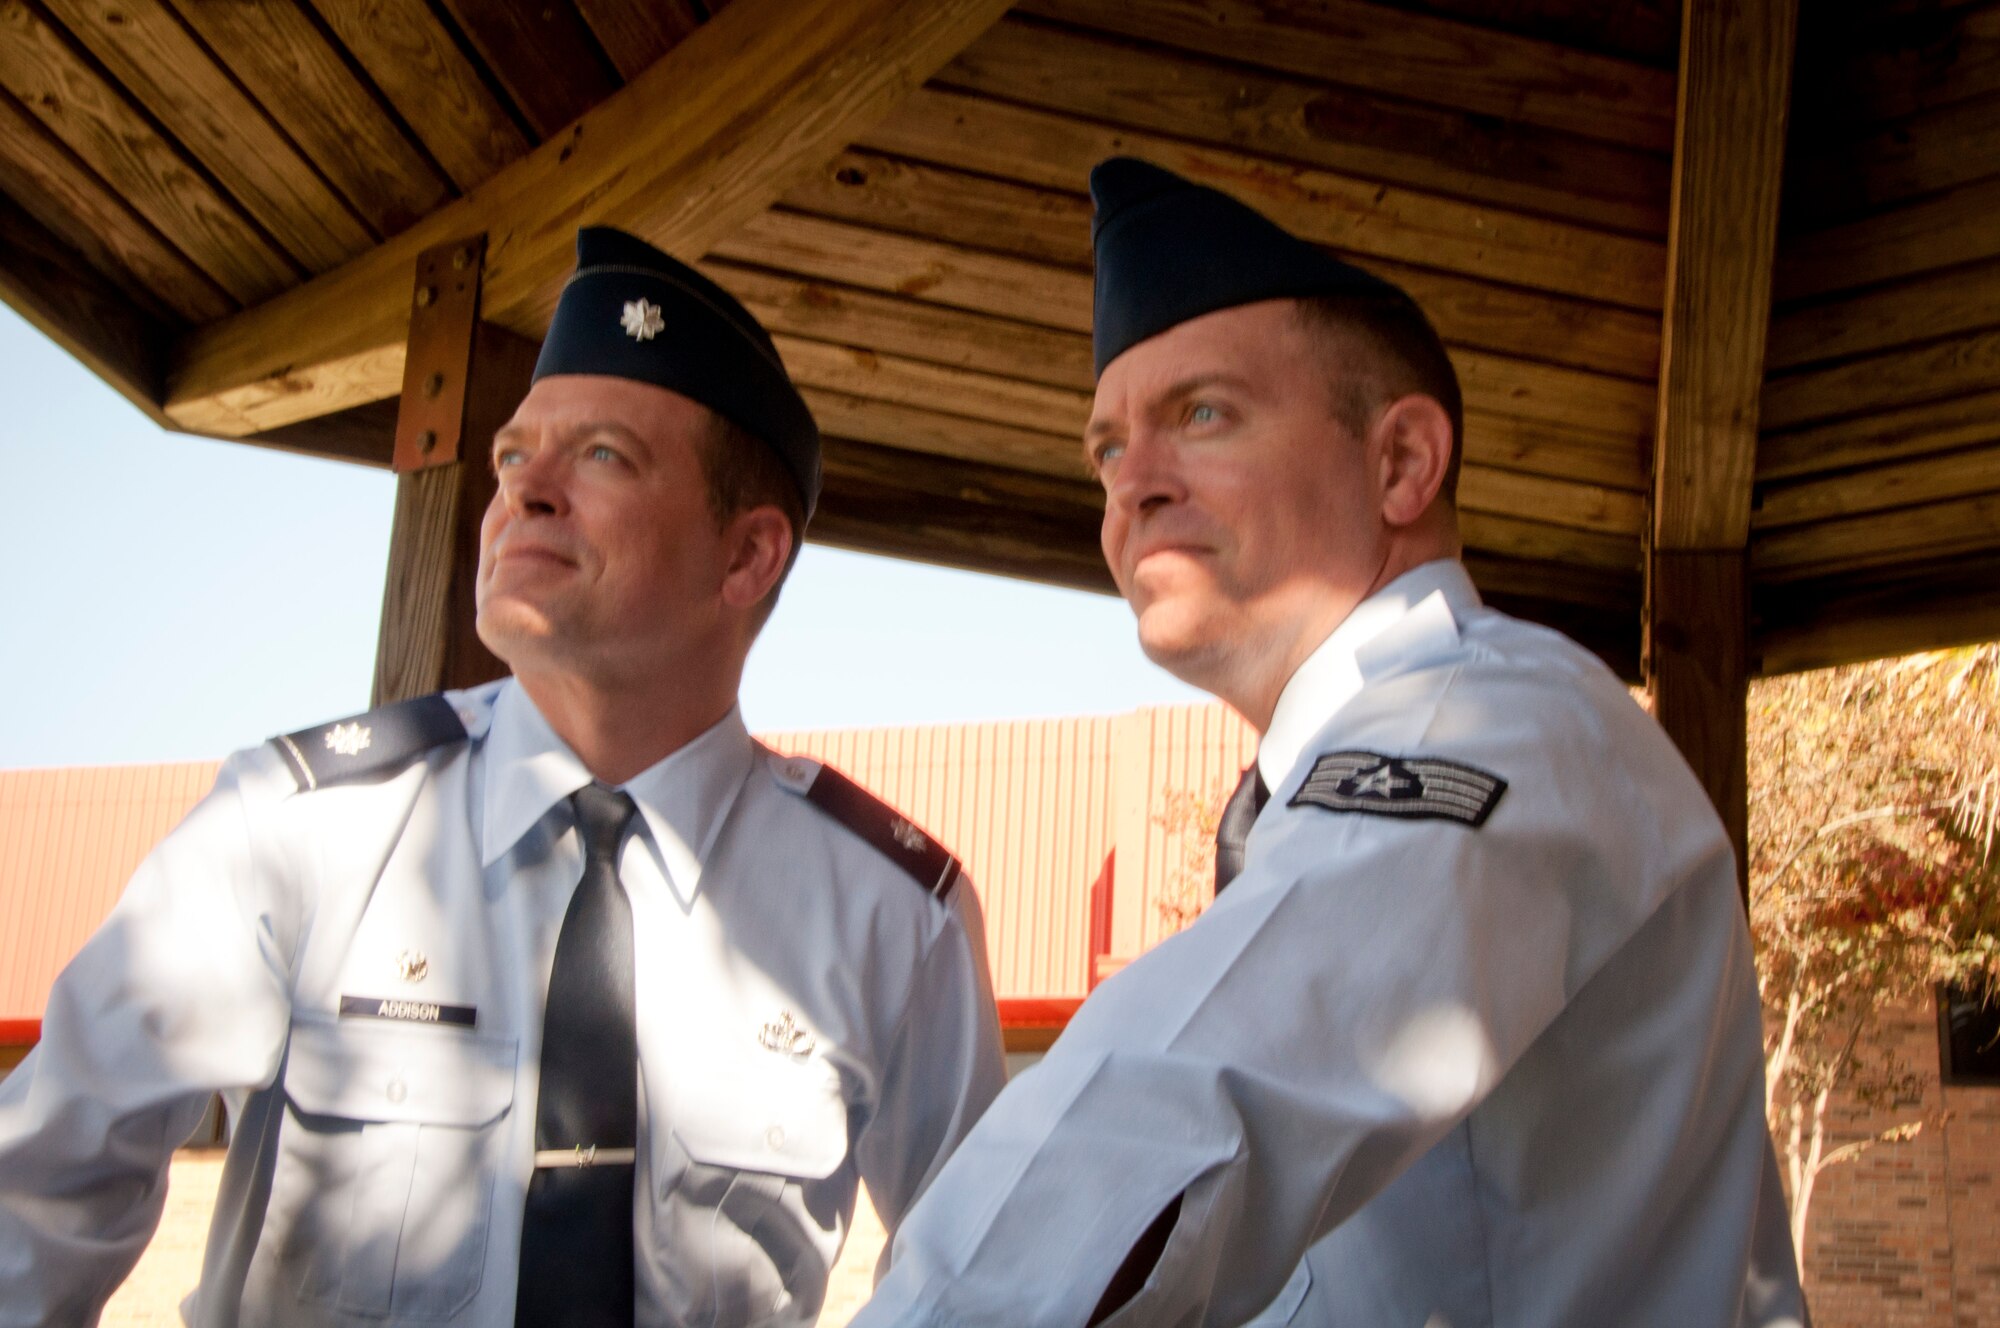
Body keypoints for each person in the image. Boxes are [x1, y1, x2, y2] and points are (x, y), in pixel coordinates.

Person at [850, 159, 1807, 1327]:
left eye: (1201, 413)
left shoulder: (1490, 716)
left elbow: (1185, 1096)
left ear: (1400, 462)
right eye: (1105, 447)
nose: (1130, 485)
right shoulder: (1355, 765)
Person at [0, 227, 1007, 1327]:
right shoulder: (293, 831)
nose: (523, 490)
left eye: (603, 455)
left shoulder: (893, 914)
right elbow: (35, 1205)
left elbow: (988, 1285)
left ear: (746, 555)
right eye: (512, 456)